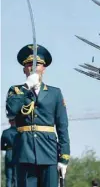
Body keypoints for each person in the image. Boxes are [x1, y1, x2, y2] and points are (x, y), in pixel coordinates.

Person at [5, 44, 70, 187]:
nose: (33, 67)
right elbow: (11, 112)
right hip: (24, 153)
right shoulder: (16, 91)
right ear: (24, 69)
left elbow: (62, 126)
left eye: (38, 64)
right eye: (29, 64)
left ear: (44, 69)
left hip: (49, 152)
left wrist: (64, 157)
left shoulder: (55, 93)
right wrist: (26, 87)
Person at [1, 119, 18, 187]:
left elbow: (1, 147)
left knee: (9, 177)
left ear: (9, 122)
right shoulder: (18, 131)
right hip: (17, 153)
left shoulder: (5, 132)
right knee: (16, 177)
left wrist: (8, 148)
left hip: (9, 153)